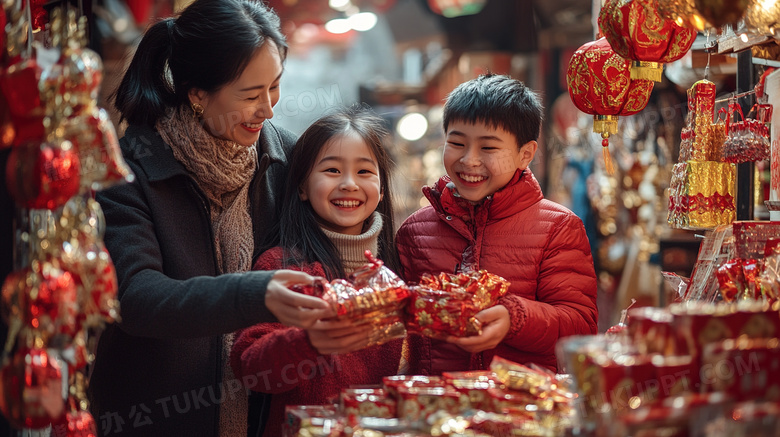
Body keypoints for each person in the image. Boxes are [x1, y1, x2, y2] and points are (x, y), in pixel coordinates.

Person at [88, 1, 334, 436]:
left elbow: (331, 239)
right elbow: (137, 298)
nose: (268, 109)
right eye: (249, 94)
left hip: (262, 418)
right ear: (198, 95)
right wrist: (255, 292)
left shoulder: (284, 158)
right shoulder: (130, 170)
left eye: (274, 86)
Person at [395, 73, 598, 375]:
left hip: (521, 408)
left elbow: (580, 327)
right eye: (457, 143)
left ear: (524, 154)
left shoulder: (559, 228)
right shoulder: (414, 232)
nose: (469, 160)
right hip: (437, 407)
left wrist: (514, 318)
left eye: (488, 148)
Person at [230, 105, 402, 437]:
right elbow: (250, 365)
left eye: (365, 171)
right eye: (332, 170)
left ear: (381, 190)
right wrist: (310, 340)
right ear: (302, 187)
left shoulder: (397, 272)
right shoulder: (284, 268)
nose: (349, 184)